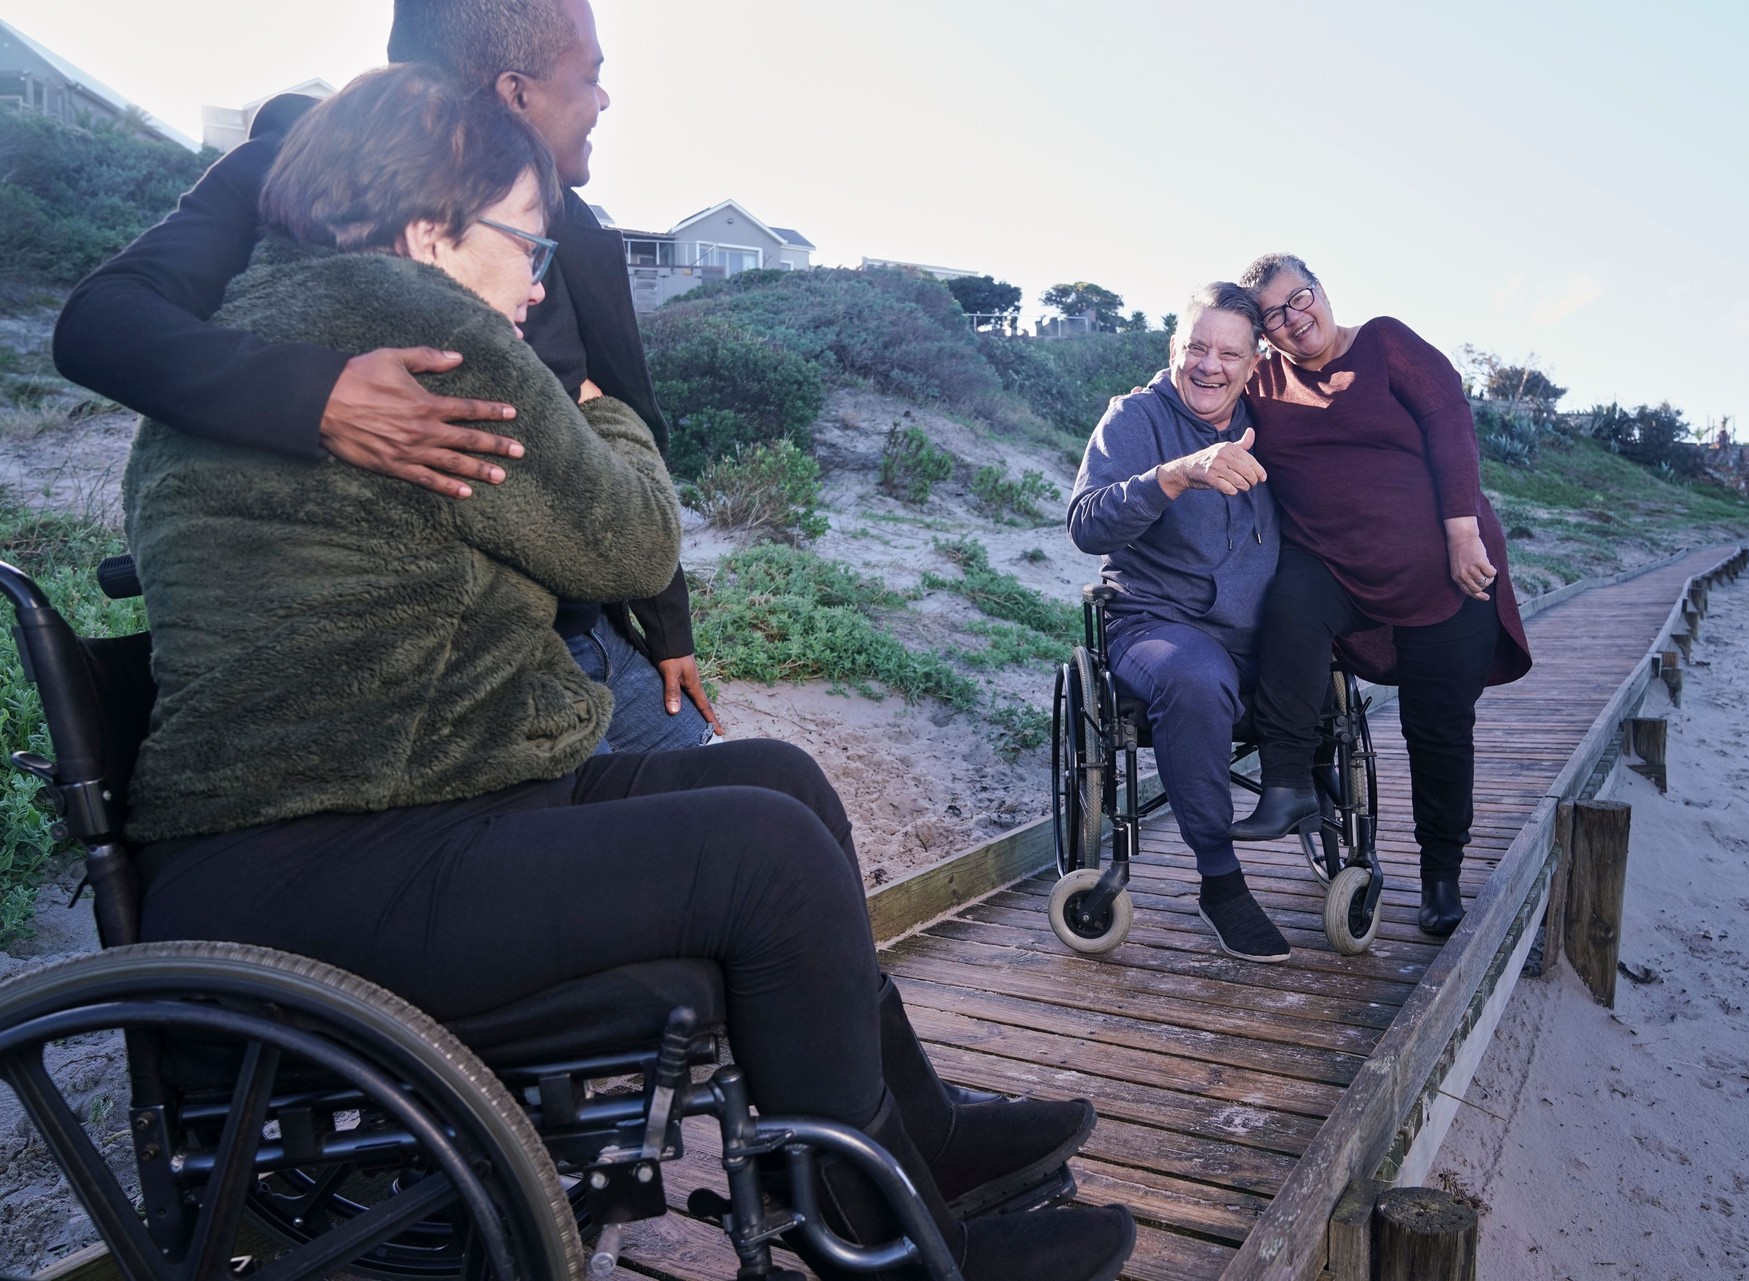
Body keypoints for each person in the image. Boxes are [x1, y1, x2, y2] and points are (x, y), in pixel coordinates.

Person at [119, 66, 1132, 1281]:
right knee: (767, 859)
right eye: (523, 239)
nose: (539, 275)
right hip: (330, 858)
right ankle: (895, 1258)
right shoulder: (430, 331)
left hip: (338, 828)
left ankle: (919, 1151)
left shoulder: (256, 319)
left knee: (782, 781)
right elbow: (631, 542)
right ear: (431, 228)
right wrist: (605, 413)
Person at [53, 0, 719, 756]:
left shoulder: (575, 226)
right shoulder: (311, 166)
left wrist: (668, 627)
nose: (603, 100)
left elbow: (617, 417)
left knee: (702, 756)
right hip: (423, 659)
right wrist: (319, 395)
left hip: (572, 623)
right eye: (591, 76)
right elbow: (100, 322)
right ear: (515, 93)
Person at [1227, 253, 1532, 936]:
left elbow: (1450, 424)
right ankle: (1287, 784)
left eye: (1298, 298)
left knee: (1439, 727)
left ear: (1322, 290)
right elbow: (1202, 375)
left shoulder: (1385, 342)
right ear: (1264, 331)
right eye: (1273, 314)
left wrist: (1461, 531)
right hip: (1334, 569)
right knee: (1291, 603)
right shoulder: (1262, 382)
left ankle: (1441, 877)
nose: (1292, 317)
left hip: (1448, 572)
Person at [1067, 283, 1292, 962]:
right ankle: (1221, 882)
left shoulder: (1272, 419)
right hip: (1156, 626)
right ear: (1175, 348)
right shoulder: (1135, 418)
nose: (1209, 365)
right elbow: (1085, 522)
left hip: (1258, 633)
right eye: (1196, 346)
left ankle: (1322, 806)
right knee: (1195, 675)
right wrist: (1172, 476)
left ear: (1254, 364)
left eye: (1228, 353)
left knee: (1322, 645)